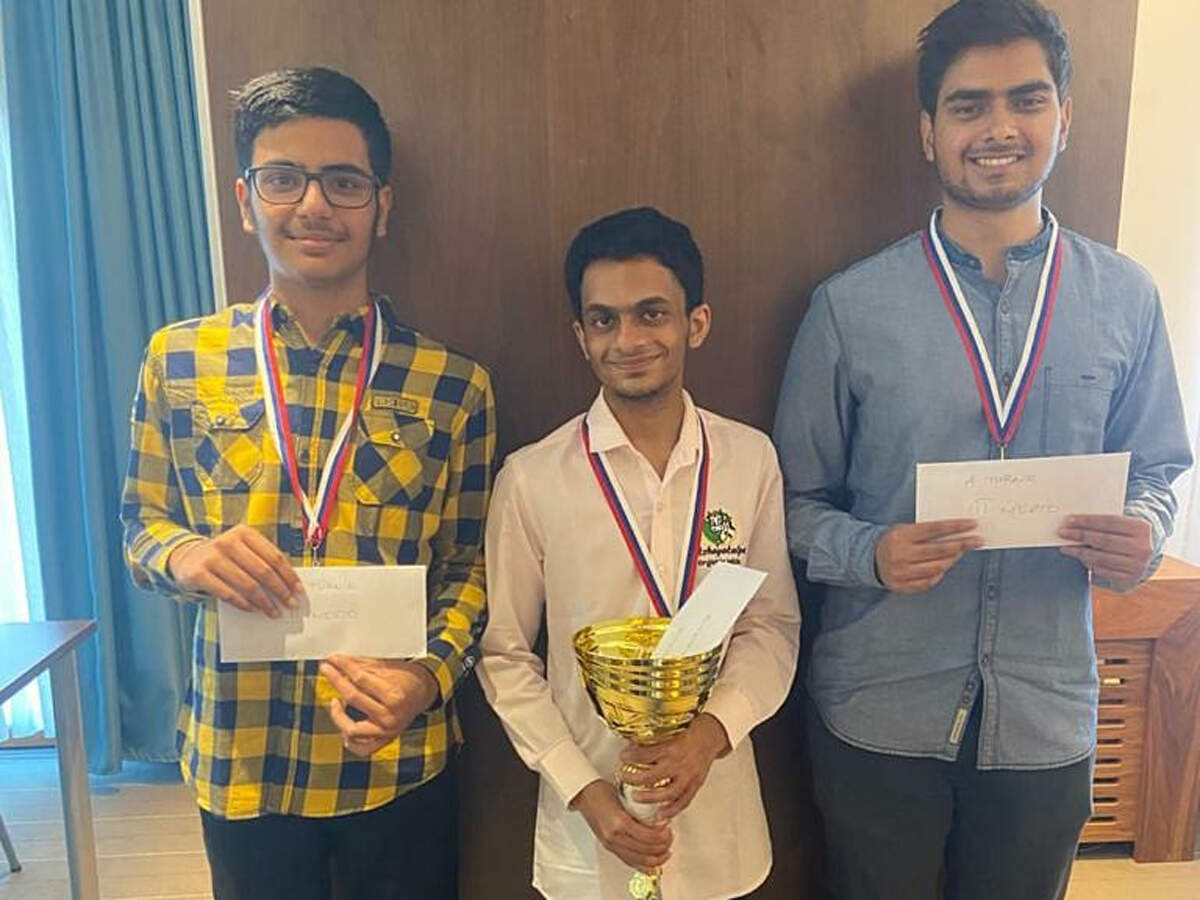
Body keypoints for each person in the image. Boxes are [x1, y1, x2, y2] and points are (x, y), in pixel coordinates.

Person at [772, 2, 1192, 898]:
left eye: (1026, 100)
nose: (999, 128)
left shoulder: (1126, 298)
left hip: (1045, 714)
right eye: (969, 106)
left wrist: (1146, 531)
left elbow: (1162, 467)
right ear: (929, 132)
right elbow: (791, 504)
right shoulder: (850, 308)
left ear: (1063, 117)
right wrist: (871, 553)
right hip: (880, 707)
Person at [121, 67, 494, 899]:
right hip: (240, 757)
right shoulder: (177, 361)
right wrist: (185, 557)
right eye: (284, 178)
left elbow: (471, 568)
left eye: (344, 182)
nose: (314, 205)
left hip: (396, 760)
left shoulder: (453, 385)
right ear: (245, 199)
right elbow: (141, 524)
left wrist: (425, 679)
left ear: (381, 206)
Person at [477, 206, 801, 899]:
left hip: (719, 820)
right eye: (604, 320)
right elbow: (504, 653)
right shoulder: (532, 478)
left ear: (696, 323)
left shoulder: (748, 460)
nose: (627, 340)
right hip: (590, 823)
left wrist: (708, 736)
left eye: (652, 314)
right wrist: (585, 791)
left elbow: (771, 626)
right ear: (581, 336)